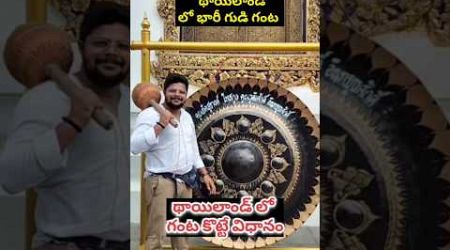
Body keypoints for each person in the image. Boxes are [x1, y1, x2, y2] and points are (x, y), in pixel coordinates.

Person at [0, 3, 130, 250]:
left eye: (122, 46)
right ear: (82, 47)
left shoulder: (133, 106)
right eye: (101, 44)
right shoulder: (46, 98)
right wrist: (72, 123)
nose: (111, 52)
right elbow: (10, 177)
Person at [130, 73, 216, 250]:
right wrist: (160, 125)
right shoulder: (148, 115)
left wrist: (204, 173)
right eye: (173, 90)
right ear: (164, 92)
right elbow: (134, 146)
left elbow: (192, 148)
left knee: (182, 235)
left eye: (181, 92)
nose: (177, 94)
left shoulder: (186, 117)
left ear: (185, 95)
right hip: (160, 182)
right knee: (157, 236)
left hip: (185, 182)